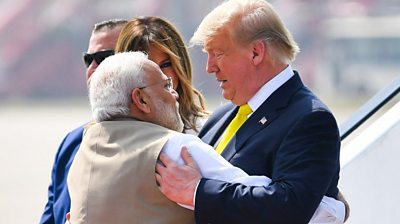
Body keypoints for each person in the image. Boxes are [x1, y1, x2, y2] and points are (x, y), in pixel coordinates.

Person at [67, 51, 344, 224]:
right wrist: (334, 207)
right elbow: (272, 206)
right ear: (140, 100)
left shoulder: (84, 154)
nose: (174, 93)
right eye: (165, 85)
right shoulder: (175, 149)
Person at [155, 0, 349, 223]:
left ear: (256, 53)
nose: (209, 67)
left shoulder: (311, 119)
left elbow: (290, 207)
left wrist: (198, 191)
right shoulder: (221, 116)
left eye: (217, 53)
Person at [39, 18, 128, 224]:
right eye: (89, 60)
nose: (93, 69)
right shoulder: (72, 143)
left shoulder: (166, 143)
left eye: (105, 58)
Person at [114, 16, 208, 134]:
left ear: (181, 66)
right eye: (148, 67)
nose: (160, 76)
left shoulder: (206, 132)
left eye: (166, 64)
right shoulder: (103, 137)